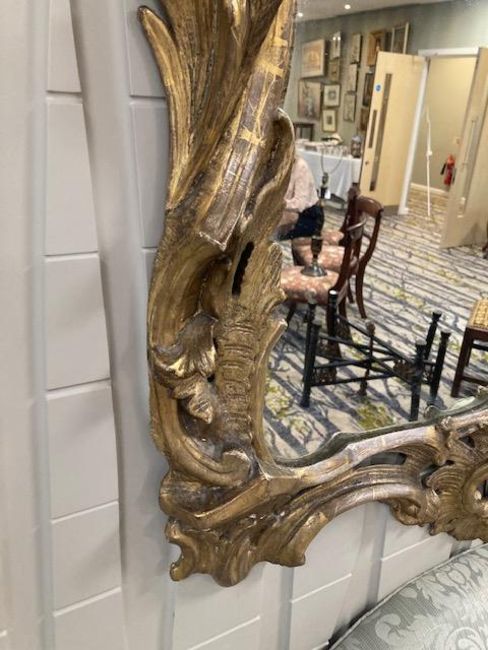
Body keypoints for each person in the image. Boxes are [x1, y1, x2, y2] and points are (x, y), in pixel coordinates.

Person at [278, 155, 322, 240]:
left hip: (307, 217)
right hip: (285, 213)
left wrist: (277, 204)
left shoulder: (300, 166)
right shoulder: (276, 164)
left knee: (270, 233)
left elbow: (299, 204)